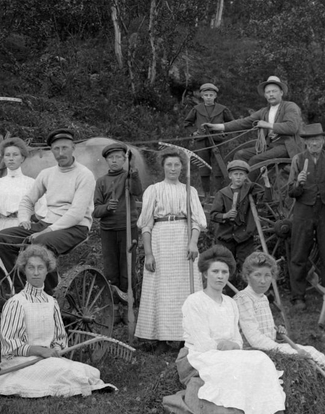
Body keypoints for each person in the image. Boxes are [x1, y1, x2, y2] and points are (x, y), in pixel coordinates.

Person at [162, 247, 285, 414]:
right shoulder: (194, 301)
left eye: (224, 272)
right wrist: (223, 345)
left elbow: (237, 339)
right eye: (215, 271)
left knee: (261, 359)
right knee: (234, 365)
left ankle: (267, 413)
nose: (220, 276)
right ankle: (236, 413)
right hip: (199, 354)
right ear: (205, 273)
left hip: (228, 352)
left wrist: (232, 346)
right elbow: (201, 342)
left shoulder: (230, 303)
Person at [0, 245, 113, 398]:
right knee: (71, 373)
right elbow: (10, 345)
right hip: (20, 363)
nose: (36, 273)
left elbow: (60, 339)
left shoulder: (51, 303)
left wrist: (56, 351)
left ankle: (68, 378)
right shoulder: (16, 303)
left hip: (48, 360)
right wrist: (40, 351)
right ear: (24, 270)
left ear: (47, 270)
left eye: (40, 268)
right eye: (31, 268)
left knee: (91, 372)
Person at [235, 252, 325, 407]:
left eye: (268, 275)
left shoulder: (262, 297)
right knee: (312, 354)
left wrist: (277, 333)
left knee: (318, 357)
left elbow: (263, 331)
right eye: (257, 275)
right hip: (255, 351)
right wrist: (287, 350)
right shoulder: (243, 298)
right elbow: (255, 339)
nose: (263, 280)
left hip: (269, 346)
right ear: (247, 276)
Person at [0, 129, 96, 290]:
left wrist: (47, 230)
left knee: (40, 243)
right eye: (56, 149)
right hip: (48, 224)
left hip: (75, 227)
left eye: (64, 148)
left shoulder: (85, 175)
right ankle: (23, 289)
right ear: (52, 150)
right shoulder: (47, 174)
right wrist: (24, 219)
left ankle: (51, 293)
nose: (60, 153)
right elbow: (27, 200)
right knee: (2, 237)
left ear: (73, 148)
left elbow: (76, 214)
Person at [134, 150, 207, 347]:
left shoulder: (189, 191)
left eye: (176, 165)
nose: (173, 168)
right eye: (169, 165)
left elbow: (196, 221)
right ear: (163, 167)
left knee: (184, 287)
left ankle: (185, 336)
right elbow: (146, 225)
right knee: (160, 286)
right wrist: (148, 253)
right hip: (161, 239)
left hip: (184, 238)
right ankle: (158, 335)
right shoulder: (154, 190)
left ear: (182, 167)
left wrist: (193, 242)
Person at [287, 123, 325, 311]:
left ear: (323, 141)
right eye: (310, 140)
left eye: (317, 139)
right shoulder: (298, 160)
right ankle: (298, 296)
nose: (314, 143)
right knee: (299, 253)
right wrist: (299, 184)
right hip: (303, 210)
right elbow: (291, 192)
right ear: (305, 142)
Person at [205, 75, 303, 172]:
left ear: (281, 93)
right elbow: (242, 123)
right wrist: (217, 126)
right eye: (268, 92)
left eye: (274, 91)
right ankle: (237, 183)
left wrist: (267, 125)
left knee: (255, 160)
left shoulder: (290, 106)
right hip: (270, 146)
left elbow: (292, 127)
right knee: (240, 154)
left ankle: (249, 186)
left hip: (286, 146)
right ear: (265, 95)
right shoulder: (264, 111)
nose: (271, 94)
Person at [0, 137, 44, 278]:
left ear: (22, 158)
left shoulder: (32, 183)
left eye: (15, 155)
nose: (11, 158)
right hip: (2, 226)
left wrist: (34, 224)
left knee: (21, 263)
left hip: (24, 228)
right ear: (3, 158)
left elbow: (42, 211)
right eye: (7, 155)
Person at [92, 142, 142, 299]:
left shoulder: (129, 176)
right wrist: (107, 207)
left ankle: (128, 304)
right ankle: (113, 304)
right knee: (111, 269)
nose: (114, 160)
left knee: (127, 267)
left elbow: (137, 191)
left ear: (123, 159)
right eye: (111, 158)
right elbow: (96, 211)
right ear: (106, 160)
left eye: (118, 157)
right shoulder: (101, 181)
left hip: (128, 227)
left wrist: (133, 173)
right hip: (108, 230)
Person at [208, 159, 259, 275]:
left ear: (246, 176)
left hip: (244, 237)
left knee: (248, 268)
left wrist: (266, 180)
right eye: (235, 174)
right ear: (230, 176)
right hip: (226, 237)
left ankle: (246, 292)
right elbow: (213, 215)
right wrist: (225, 215)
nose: (238, 177)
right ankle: (227, 292)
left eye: (241, 174)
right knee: (225, 267)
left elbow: (266, 198)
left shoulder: (250, 190)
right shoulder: (222, 193)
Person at [183, 82, 233, 194]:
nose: (209, 97)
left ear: (215, 96)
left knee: (218, 167)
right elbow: (187, 123)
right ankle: (206, 194)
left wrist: (225, 134)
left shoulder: (222, 109)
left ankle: (218, 194)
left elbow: (232, 124)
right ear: (202, 96)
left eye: (211, 95)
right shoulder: (196, 109)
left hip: (217, 142)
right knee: (203, 167)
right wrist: (194, 133)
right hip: (201, 141)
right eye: (206, 95)